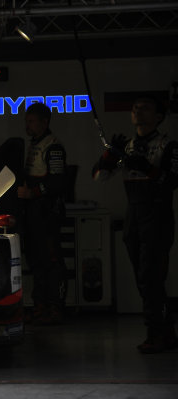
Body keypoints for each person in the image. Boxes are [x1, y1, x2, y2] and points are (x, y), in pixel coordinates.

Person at [92, 96, 178, 354]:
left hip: (158, 215)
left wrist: (147, 168)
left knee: (151, 277)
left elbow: (172, 181)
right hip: (134, 215)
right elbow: (99, 177)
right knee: (143, 280)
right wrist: (109, 155)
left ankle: (157, 333)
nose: (138, 111)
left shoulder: (168, 145)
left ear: (159, 117)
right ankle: (165, 330)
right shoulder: (127, 146)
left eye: (145, 108)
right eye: (135, 108)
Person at [18, 102, 67, 325]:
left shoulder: (53, 147)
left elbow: (58, 182)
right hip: (34, 211)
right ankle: (40, 305)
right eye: (27, 120)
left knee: (51, 260)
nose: (27, 125)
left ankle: (56, 306)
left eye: (31, 121)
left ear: (44, 122)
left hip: (47, 210)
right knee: (36, 259)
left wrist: (33, 192)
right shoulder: (35, 144)